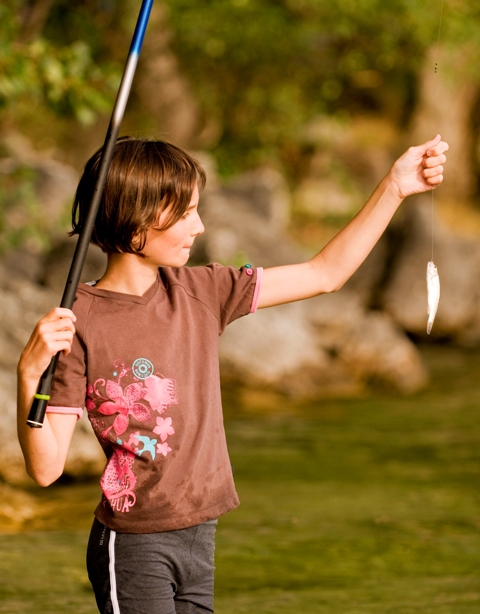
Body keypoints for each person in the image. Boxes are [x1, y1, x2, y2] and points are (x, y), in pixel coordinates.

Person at [17, 134, 448, 613]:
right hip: (134, 548)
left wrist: (395, 186)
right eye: (184, 214)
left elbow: (326, 273)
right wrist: (27, 377)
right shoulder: (79, 323)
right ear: (136, 223)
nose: (198, 226)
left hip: (201, 535)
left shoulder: (203, 291)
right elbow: (46, 467)